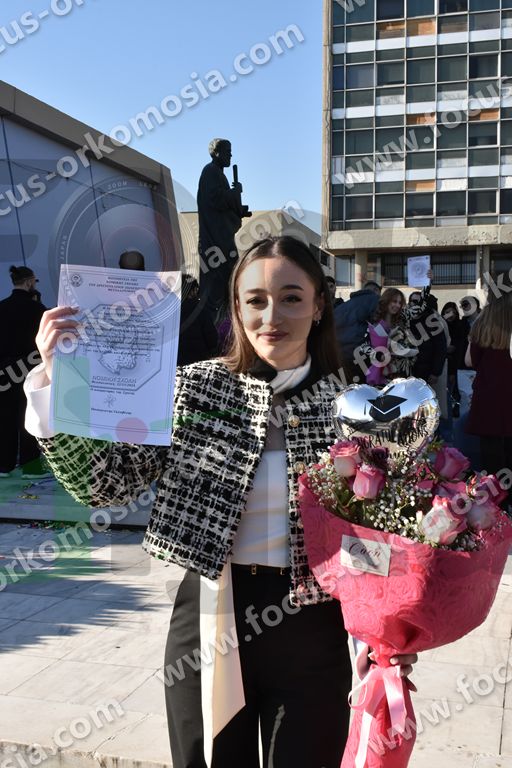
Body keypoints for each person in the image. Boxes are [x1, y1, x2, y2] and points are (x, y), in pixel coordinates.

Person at [24, 236, 416, 768]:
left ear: (320, 304)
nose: (271, 316)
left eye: (291, 298)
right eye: (255, 300)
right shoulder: (190, 390)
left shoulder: (354, 407)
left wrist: (393, 628)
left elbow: (384, 532)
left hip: (314, 625)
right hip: (209, 616)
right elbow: (106, 486)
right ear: (236, 307)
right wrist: (53, 381)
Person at [465, 274, 512, 506]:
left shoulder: (481, 324)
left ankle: (496, 509)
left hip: (488, 398)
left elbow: (469, 361)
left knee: (491, 459)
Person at [0, 266, 49, 477]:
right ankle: (30, 466)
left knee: (5, 419)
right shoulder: (37, 309)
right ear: (29, 282)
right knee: (29, 417)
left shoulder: (2, 307)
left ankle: (4, 465)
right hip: (30, 370)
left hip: (4, 371)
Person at [197, 138, 252, 323]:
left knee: (230, 275)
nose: (230, 155)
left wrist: (238, 207)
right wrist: (235, 193)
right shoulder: (210, 171)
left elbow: (224, 206)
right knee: (218, 279)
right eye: (227, 151)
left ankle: (226, 318)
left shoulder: (219, 174)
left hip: (222, 239)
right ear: (216, 153)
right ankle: (216, 320)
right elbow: (215, 200)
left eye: (230, 151)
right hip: (215, 241)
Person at [362, 288, 417, 386]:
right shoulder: (374, 323)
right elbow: (364, 347)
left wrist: (404, 350)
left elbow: (413, 345)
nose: (397, 305)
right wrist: (379, 355)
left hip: (401, 374)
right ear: (386, 301)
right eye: (394, 301)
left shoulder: (403, 323)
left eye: (400, 303)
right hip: (381, 375)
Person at [334, 280, 381, 383]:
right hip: (361, 355)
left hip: (340, 356)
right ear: (375, 290)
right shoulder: (374, 299)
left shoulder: (342, 306)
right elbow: (378, 326)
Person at [177, 274, 218, 365]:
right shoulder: (199, 309)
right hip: (197, 361)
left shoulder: (171, 311)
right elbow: (212, 339)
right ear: (193, 290)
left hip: (175, 362)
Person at [441, 302, 470, 418]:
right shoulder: (439, 327)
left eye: (453, 312)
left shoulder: (460, 326)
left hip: (457, 365)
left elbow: (461, 347)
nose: (450, 315)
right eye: (447, 312)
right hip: (443, 366)